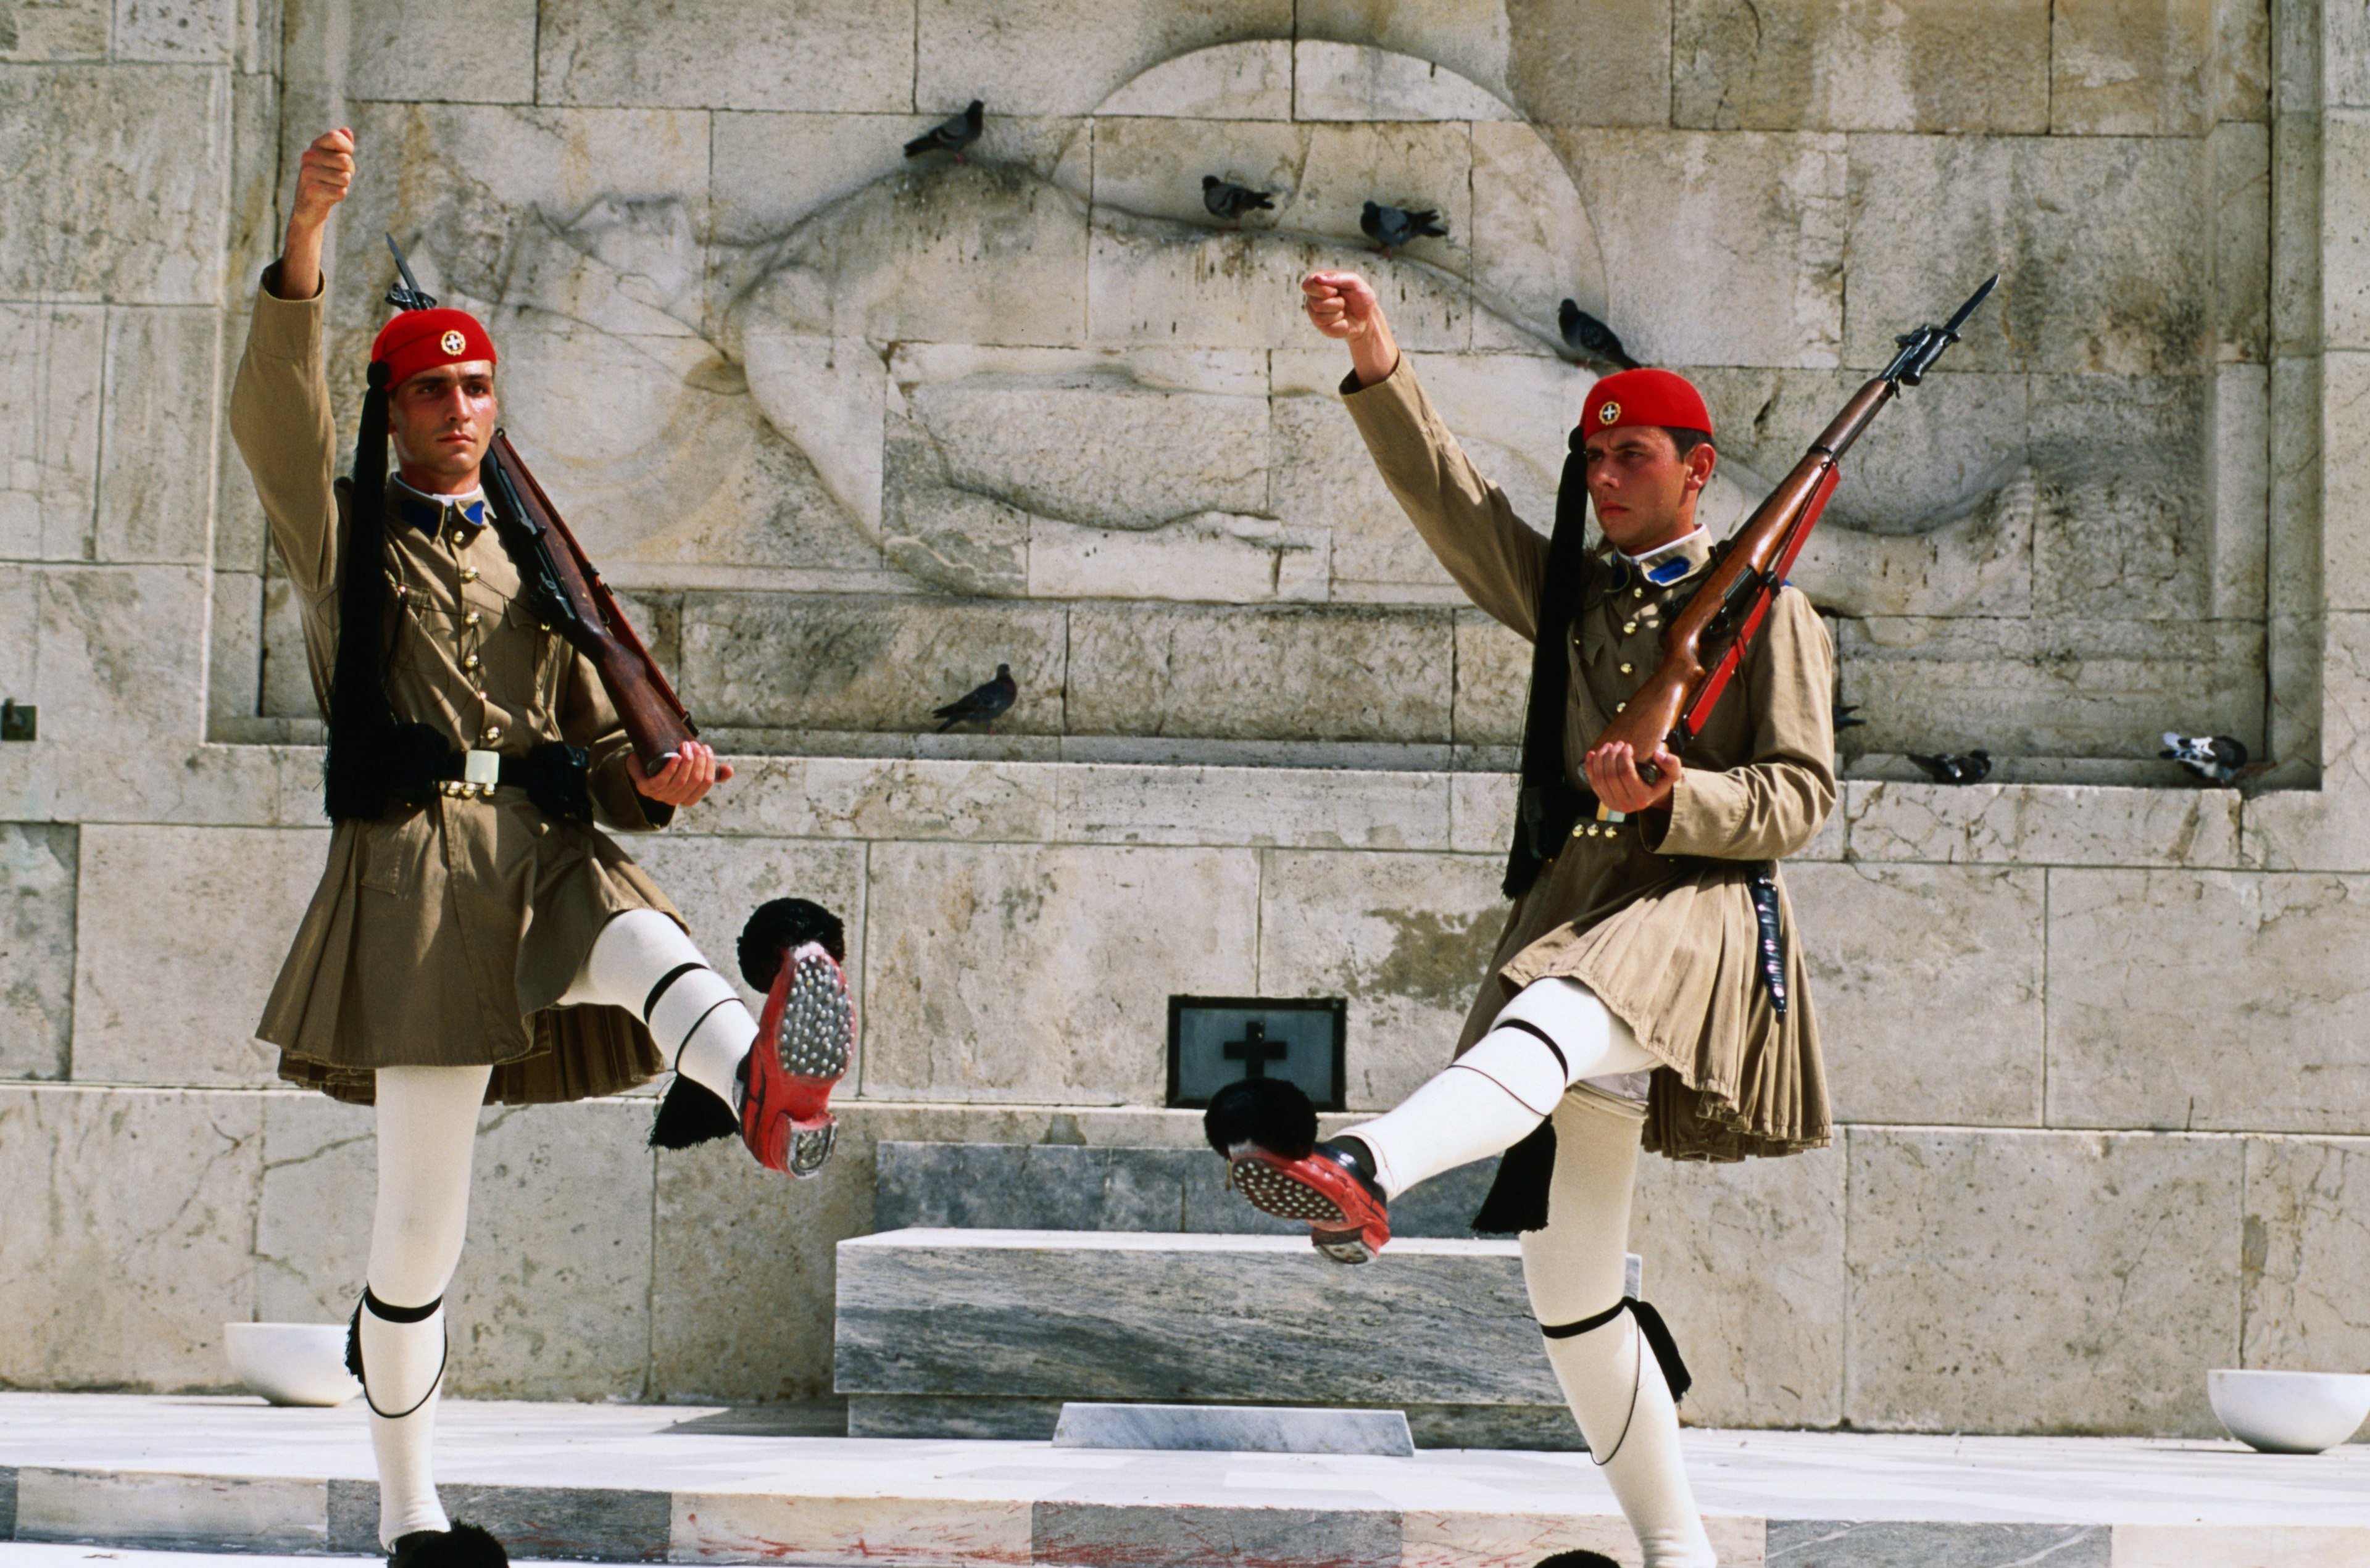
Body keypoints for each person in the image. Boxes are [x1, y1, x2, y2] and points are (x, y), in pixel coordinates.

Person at [228, 128, 855, 1568]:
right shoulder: (345, 541)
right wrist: (309, 243)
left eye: (477, 384)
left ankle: (768, 1078)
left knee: (653, 944)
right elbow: (273, 413)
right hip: (417, 874)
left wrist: (664, 773)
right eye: (434, 387)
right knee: (417, 1235)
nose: (460, 405)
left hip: (548, 840)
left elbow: (600, 746)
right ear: (391, 411)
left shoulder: (532, 558)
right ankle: (412, 1511)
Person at [1208, 271, 1839, 1568]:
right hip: (1578, 910)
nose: (1605, 474)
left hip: (1697, 915)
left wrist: (1676, 792)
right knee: (1569, 1289)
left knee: (1555, 1015)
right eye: (1593, 455)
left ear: (1697, 470)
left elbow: (1798, 796)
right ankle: (1683, 1556)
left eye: (1633, 455)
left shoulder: (1771, 613)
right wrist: (1378, 356)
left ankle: (1367, 1166)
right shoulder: (1576, 601)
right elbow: (1452, 501)